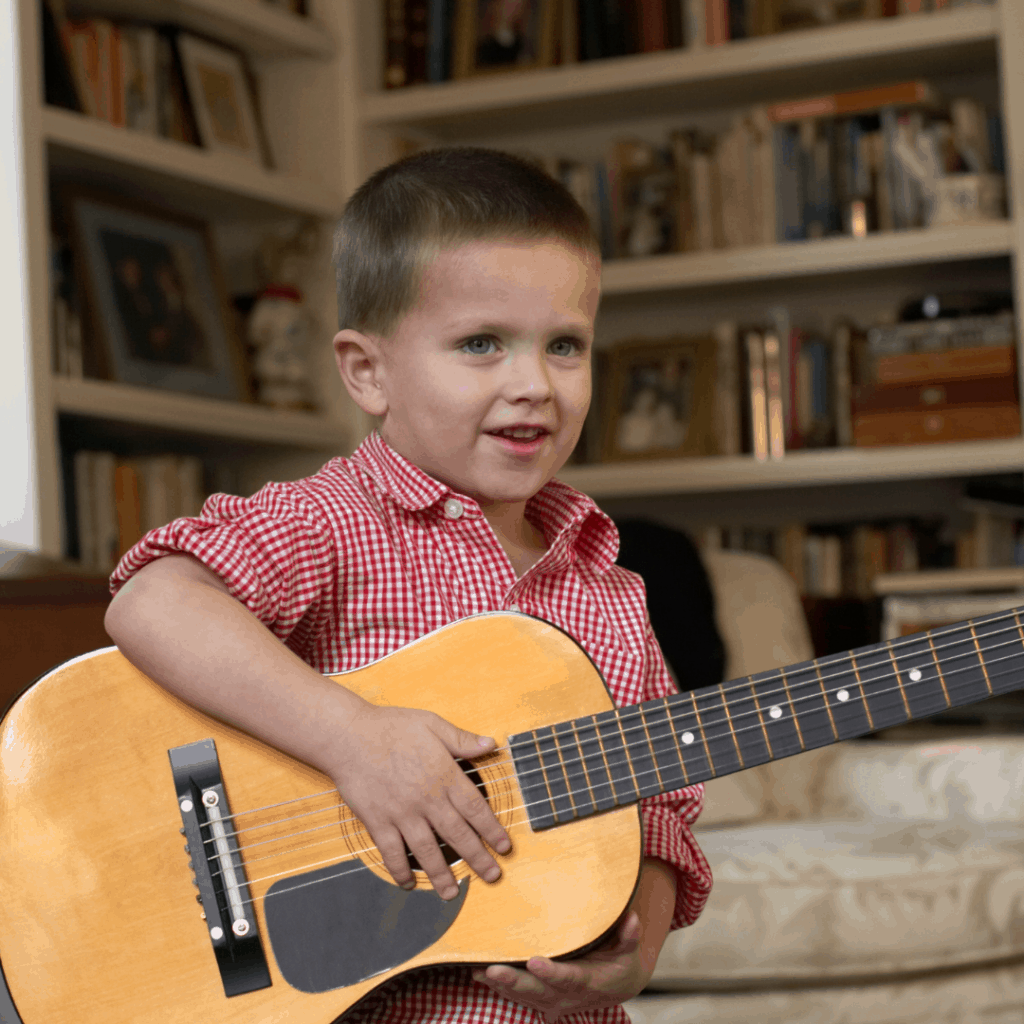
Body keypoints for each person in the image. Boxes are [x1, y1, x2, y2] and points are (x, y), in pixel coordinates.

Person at [104, 146, 712, 1023]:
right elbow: (153, 598)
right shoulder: (335, 520)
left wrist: (639, 944)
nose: (533, 384)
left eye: (565, 346)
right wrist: (354, 740)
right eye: (480, 344)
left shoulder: (608, 591)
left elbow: (660, 803)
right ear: (368, 372)